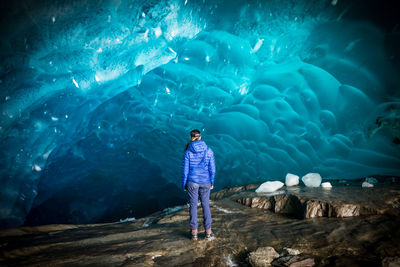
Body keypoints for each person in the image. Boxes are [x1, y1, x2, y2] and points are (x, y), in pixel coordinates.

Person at [182, 129, 216, 241]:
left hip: (192, 182)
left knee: (193, 206)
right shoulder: (209, 150)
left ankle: (194, 234)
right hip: (206, 182)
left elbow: (185, 171)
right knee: (206, 205)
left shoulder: (188, 152)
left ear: (191, 138)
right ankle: (208, 233)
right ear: (200, 137)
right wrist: (212, 182)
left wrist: (184, 184)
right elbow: (213, 169)